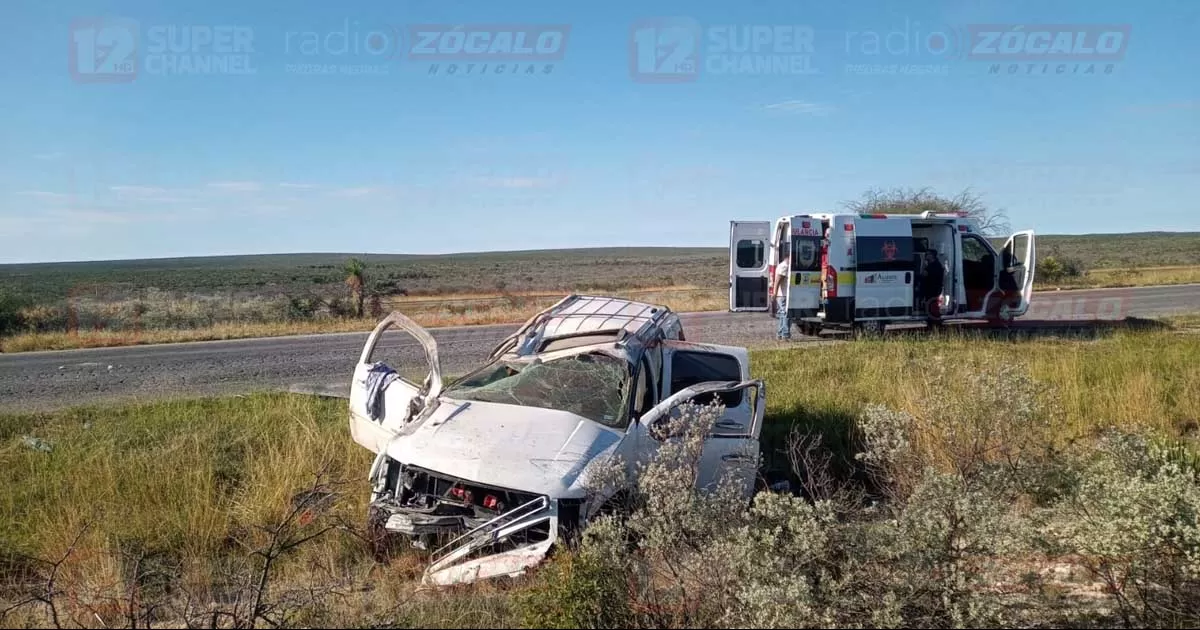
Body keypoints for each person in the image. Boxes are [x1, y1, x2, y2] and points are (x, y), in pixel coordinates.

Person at [921, 250, 945, 319]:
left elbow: (924, 274)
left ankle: (935, 321)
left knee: (932, 306)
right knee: (931, 305)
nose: (926, 255)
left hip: (933, 289)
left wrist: (923, 264)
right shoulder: (933, 264)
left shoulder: (934, 265)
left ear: (932, 255)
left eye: (927, 254)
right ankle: (932, 320)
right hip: (931, 288)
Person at [774, 247, 791, 340]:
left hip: (781, 294)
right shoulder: (785, 266)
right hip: (783, 295)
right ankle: (785, 334)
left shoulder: (782, 265)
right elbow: (778, 280)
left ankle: (780, 333)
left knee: (782, 314)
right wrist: (775, 292)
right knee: (786, 314)